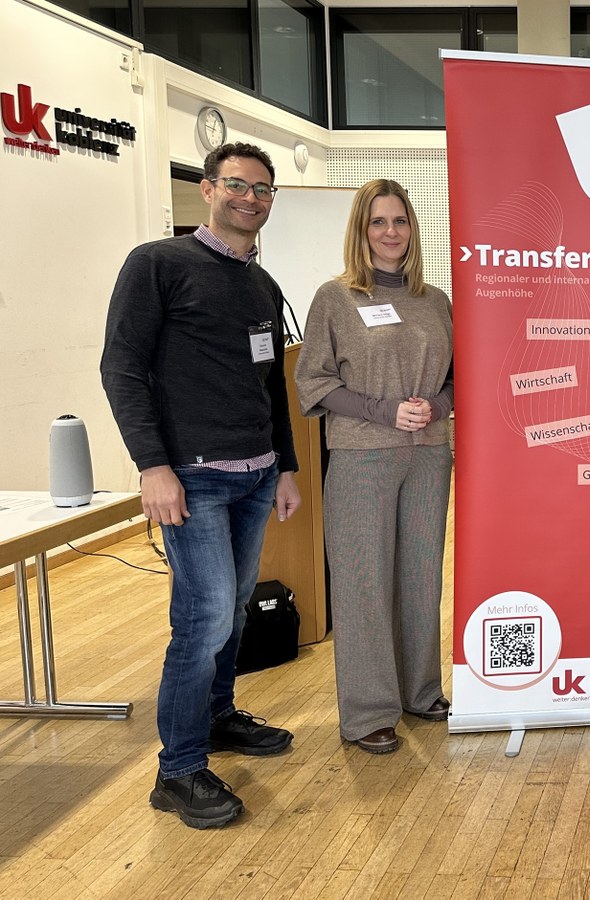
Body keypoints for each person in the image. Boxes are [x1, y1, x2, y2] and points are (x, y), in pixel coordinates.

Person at [101, 142, 301, 829]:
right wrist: (151, 466)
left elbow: (271, 383)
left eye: (264, 190)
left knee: (235, 609)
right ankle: (178, 770)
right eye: (238, 185)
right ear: (207, 190)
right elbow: (121, 369)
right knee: (204, 618)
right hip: (190, 477)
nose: (252, 198)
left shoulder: (263, 284)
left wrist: (288, 464)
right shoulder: (157, 265)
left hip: (254, 476)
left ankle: (218, 718)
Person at [296, 179, 454, 755]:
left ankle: (420, 690)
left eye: (401, 221)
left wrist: (434, 405)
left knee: (420, 576)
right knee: (364, 583)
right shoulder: (335, 298)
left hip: (430, 456)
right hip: (363, 455)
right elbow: (312, 380)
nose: (391, 233)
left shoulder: (434, 300)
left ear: (413, 229)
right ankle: (367, 712)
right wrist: (384, 410)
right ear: (361, 231)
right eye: (379, 222)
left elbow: (458, 377)